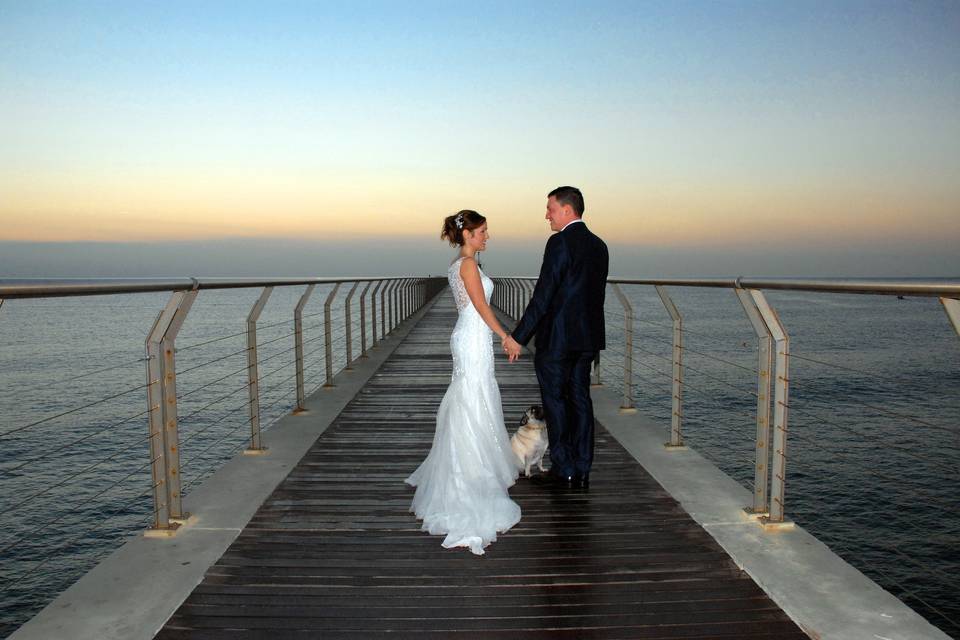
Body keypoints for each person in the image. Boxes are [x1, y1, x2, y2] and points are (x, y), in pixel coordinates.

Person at [405, 210, 521, 555]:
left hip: (472, 338)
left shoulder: (463, 263)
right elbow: (481, 306)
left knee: (474, 397)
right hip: (473, 339)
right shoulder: (468, 266)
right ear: (468, 234)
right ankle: (469, 475)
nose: (487, 236)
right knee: (472, 399)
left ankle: (473, 466)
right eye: (483, 231)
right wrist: (506, 335)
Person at [503, 186, 609, 488]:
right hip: (587, 339)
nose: (546, 214)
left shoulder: (559, 242)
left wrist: (519, 336)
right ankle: (582, 466)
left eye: (550, 208)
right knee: (580, 400)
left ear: (566, 210)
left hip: (558, 340)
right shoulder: (599, 246)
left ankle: (565, 469)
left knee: (556, 403)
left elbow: (544, 295)